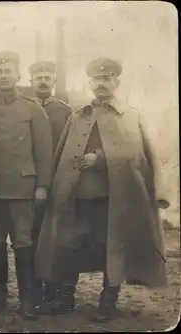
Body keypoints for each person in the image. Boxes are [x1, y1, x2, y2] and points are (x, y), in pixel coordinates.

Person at [35, 57, 169, 322]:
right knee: (71, 244)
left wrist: (100, 158)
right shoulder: (78, 116)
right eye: (97, 79)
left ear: (116, 82)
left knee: (113, 248)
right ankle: (66, 297)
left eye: (107, 79)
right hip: (78, 197)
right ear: (90, 83)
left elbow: (137, 155)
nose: (102, 84)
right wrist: (53, 187)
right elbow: (61, 155)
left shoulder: (130, 116)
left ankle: (108, 300)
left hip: (114, 199)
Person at [0, 51, 53, 320]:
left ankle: (28, 299)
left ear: (17, 75)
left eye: (8, 71)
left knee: (23, 242)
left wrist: (42, 186)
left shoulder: (32, 108)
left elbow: (43, 152)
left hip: (21, 189)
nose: (3, 76)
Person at [28, 60, 73, 313]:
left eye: (47, 77)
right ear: (31, 81)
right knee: (32, 236)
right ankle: (34, 289)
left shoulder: (66, 111)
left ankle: (55, 289)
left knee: (56, 237)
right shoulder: (24, 108)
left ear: (54, 81)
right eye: (38, 77)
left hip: (57, 184)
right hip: (29, 182)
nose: (43, 81)